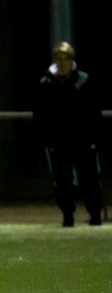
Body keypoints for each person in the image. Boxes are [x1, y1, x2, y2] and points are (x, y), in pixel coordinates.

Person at [33, 42, 103, 227]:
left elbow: (94, 111)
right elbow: (40, 113)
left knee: (90, 179)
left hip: (83, 139)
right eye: (59, 58)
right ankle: (67, 216)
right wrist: (47, 138)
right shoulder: (45, 83)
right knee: (62, 181)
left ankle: (95, 214)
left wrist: (94, 136)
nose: (62, 62)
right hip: (58, 141)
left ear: (71, 60)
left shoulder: (83, 80)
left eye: (66, 58)